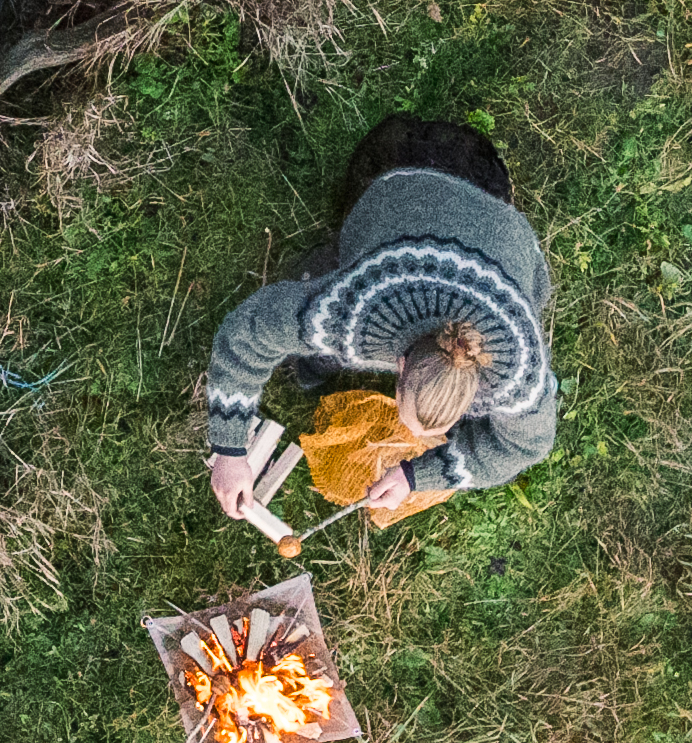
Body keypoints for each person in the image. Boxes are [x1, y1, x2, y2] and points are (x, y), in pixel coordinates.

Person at [200, 113, 556, 529]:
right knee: (325, 311)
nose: (416, 442)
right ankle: (318, 363)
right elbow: (251, 332)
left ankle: (317, 366)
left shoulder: (518, 368)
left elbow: (527, 445)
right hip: (400, 196)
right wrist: (229, 450)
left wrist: (415, 476)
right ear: (401, 365)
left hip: (500, 230)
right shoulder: (357, 313)